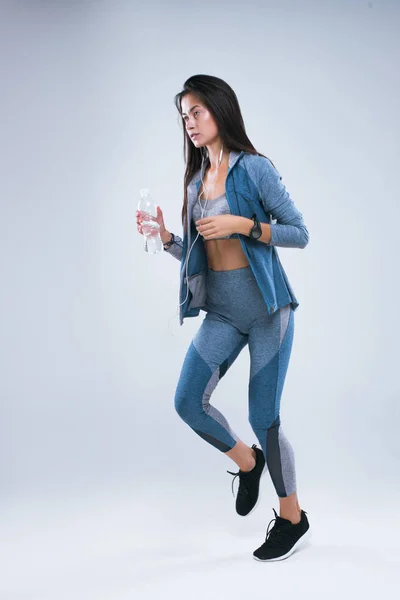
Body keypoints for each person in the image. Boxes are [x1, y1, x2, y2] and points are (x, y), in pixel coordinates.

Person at [136, 74, 311, 562]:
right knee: (188, 401)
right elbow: (200, 256)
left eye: (197, 112)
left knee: (263, 417)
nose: (190, 122)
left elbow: (300, 233)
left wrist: (245, 225)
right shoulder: (194, 183)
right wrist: (169, 237)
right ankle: (247, 462)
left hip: (267, 311)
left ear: (220, 110)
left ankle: (293, 518)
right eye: (184, 116)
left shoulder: (254, 170)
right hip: (223, 313)